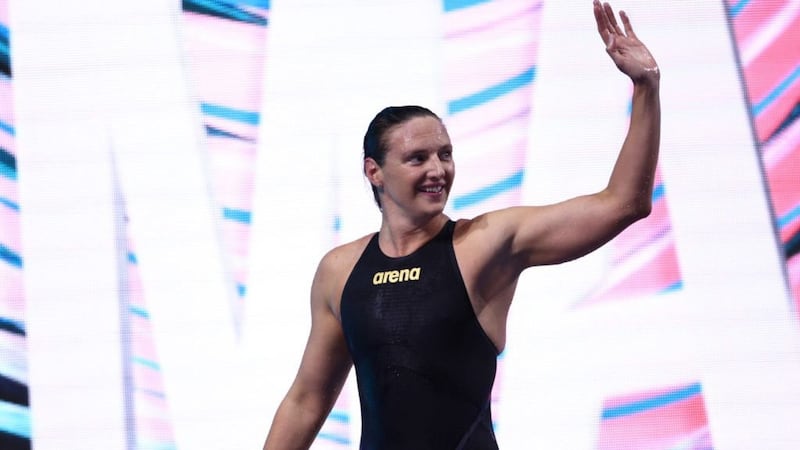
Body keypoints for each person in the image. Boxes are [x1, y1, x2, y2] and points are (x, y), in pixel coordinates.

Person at [263, 1, 660, 448]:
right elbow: (307, 400)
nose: (438, 170)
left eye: (445, 154)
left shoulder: (484, 245)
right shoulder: (339, 271)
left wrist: (646, 88)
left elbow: (623, 203)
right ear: (374, 171)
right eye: (418, 158)